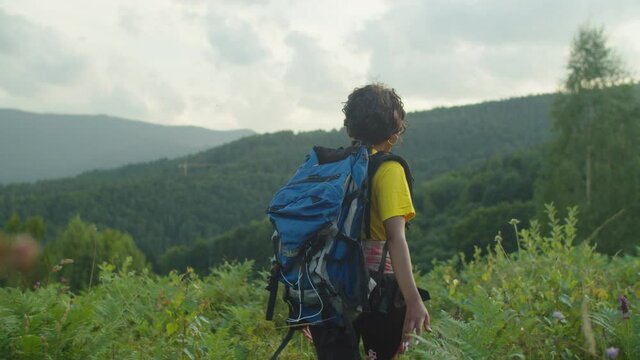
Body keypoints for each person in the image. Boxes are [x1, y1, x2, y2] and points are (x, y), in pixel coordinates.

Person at [309, 84, 431, 360]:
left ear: (350, 124)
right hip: (378, 292)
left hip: (329, 285)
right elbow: (395, 238)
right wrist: (413, 300)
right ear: (394, 131)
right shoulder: (389, 169)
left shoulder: (332, 166)